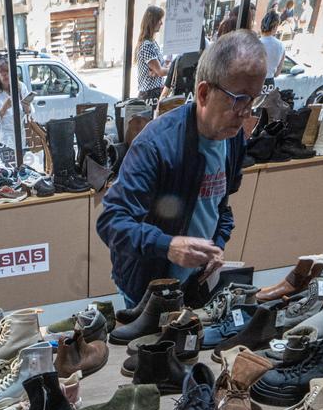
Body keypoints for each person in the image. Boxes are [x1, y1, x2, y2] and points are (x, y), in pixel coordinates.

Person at [97, 31, 264, 307]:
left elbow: (220, 207)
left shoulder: (233, 138)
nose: (246, 113)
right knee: (147, 334)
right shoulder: (155, 145)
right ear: (204, 93)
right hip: (147, 286)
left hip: (194, 282)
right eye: (239, 99)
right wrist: (168, 246)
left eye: (253, 100)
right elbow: (111, 222)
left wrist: (217, 245)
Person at [0, 55, 32, 165]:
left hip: (22, 140)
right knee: (13, 172)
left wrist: (27, 108)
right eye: (1, 72)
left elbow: (30, 112)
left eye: (7, 71)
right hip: (5, 143)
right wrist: (3, 109)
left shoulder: (20, 87)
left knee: (22, 171)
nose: (5, 74)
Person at [136, 6, 170, 101]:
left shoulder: (153, 43)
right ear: (152, 21)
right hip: (150, 95)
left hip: (154, 93)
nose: (161, 23)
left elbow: (158, 70)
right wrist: (174, 70)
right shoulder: (147, 45)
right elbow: (160, 71)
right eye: (159, 20)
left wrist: (161, 70)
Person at [260, 13, 286, 81]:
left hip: (255, 83)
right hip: (270, 83)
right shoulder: (281, 46)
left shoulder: (255, 43)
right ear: (275, 27)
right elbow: (277, 74)